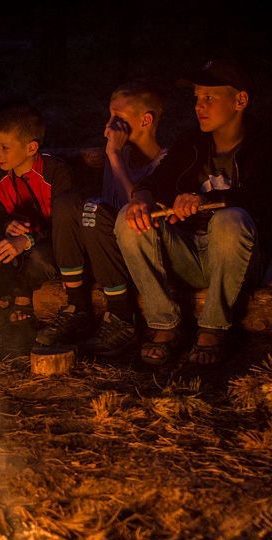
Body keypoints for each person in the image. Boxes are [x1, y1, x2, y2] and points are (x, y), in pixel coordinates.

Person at [116, 60, 272, 366]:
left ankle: (213, 330)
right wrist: (142, 198)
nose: (199, 107)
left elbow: (261, 199)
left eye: (209, 98)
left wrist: (202, 200)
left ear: (240, 101)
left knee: (231, 219)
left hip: (239, 259)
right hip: (191, 254)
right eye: (196, 99)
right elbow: (155, 182)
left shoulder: (263, 145)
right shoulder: (190, 142)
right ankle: (165, 325)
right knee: (129, 218)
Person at [37, 81, 167, 356]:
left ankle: (122, 317)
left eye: (118, 119)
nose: (109, 127)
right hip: (105, 250)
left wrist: (114, 154)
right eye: (109, 117)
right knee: (67, 203)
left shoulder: (166, 162)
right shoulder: (120, 154)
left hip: (142, 253)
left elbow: (137, 205)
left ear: (146, 120)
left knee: (95, 211)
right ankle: (77, 307)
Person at [0, 105, 70, 325]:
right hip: (17, 245)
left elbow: (65, 227)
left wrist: (29, 239)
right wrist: (7, 225)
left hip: (50, 244)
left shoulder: (55, 173)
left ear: (31, 148)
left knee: (40, 256)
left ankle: (23, 295)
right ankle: (1, 293)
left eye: (4, 147)